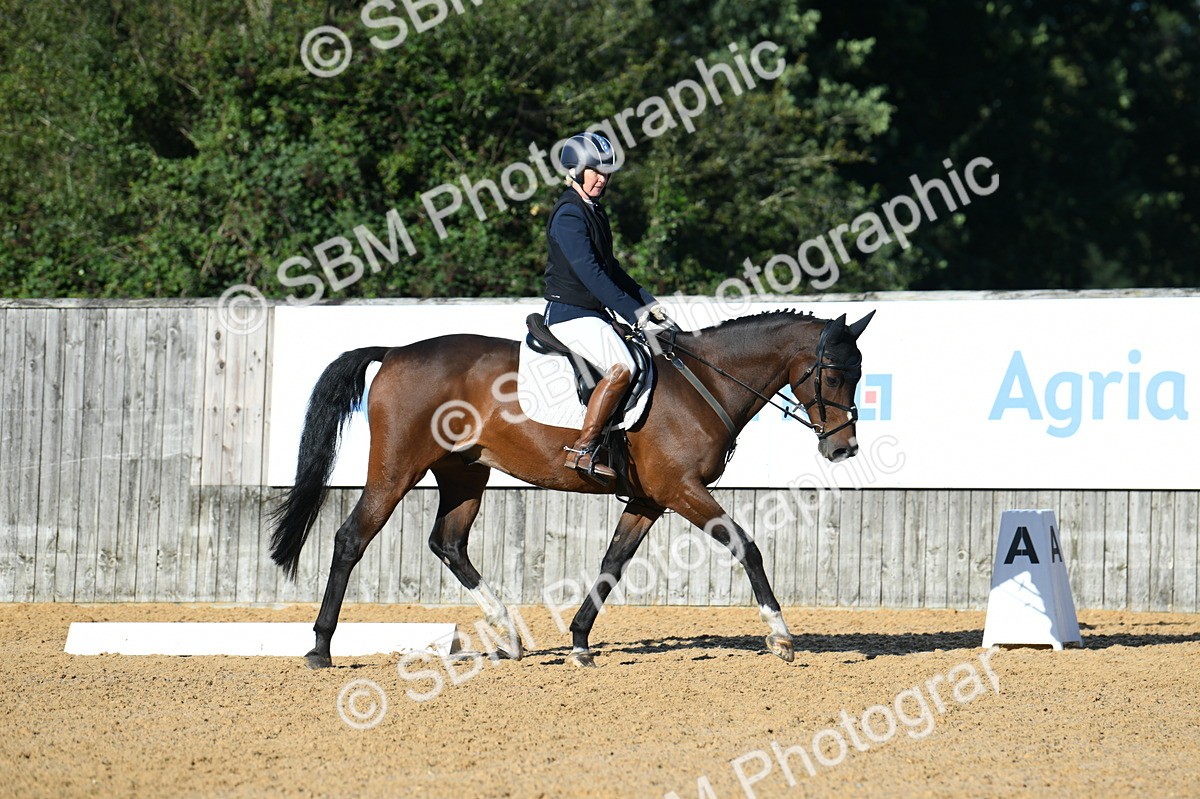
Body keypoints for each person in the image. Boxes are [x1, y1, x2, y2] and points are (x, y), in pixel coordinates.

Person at [542, 131, 678, 480]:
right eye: (595, 171)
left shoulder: (594, 211)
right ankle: (583, 449)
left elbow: (610, 267)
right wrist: (633, 312)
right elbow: (590, 275)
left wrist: (646, 301)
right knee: (623, 367)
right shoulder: (569, 215)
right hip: (570, 314)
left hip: (591, 313)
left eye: (606, 173)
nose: (602, 179)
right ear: (575, 169)